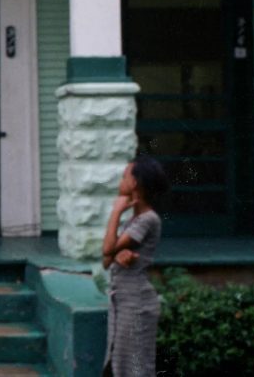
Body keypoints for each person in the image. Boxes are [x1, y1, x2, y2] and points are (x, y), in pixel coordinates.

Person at [101, 156, 168, 377]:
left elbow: (106, 249)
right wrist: (117, 252)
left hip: (137, 303)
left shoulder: (148, 219)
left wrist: (115, 212)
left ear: (136, 183)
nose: (120, 180)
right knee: (119, 365)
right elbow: (106, 260)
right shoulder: (134, 220)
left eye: (124, 176)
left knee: (135, 368)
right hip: (123, 301)